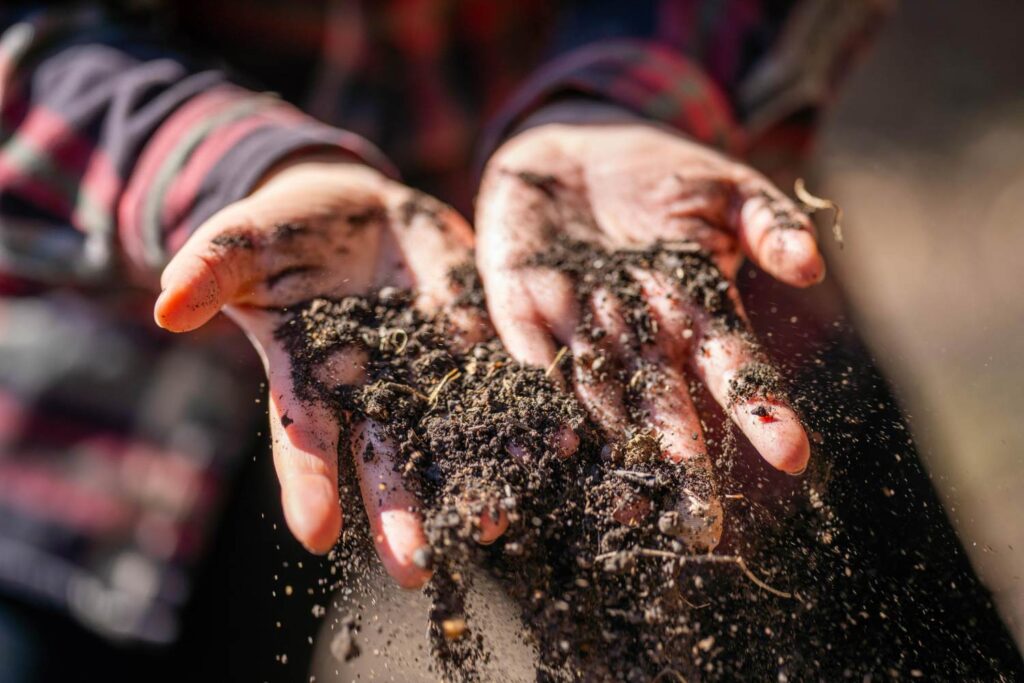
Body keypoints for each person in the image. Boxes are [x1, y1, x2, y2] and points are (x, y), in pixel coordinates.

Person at [0, 0, 1020, 679]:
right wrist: (221, 167)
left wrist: (629, 85)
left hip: (628, 266)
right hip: (108, 374)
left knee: (863, 629)